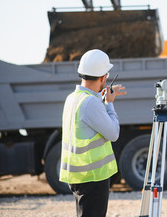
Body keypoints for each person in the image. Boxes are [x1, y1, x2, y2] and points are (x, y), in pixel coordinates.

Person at [59, 49, 126, 217]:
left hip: (79, 175)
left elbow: (89, 116)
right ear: (104, 77)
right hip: (93, 177)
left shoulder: (73, 98)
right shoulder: (90, 103)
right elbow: (113, 133)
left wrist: (102, 97)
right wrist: (109, 103)